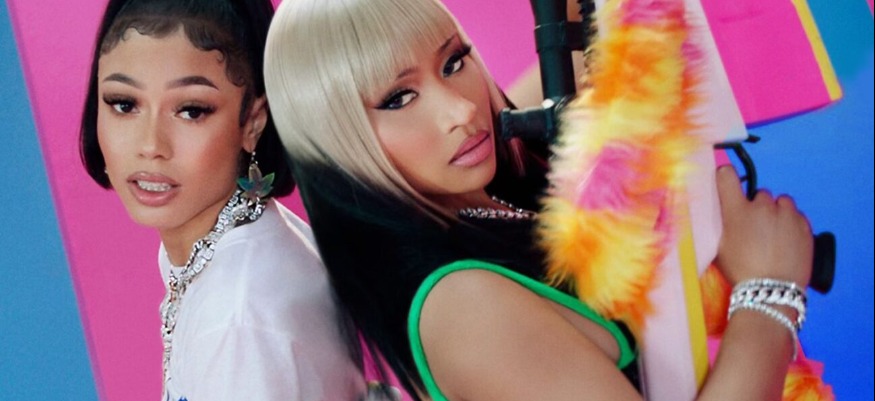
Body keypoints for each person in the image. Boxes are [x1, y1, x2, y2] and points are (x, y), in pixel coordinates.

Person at [263, 0, 813, 400]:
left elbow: (586, 50)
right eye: (398, 98)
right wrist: (771, 290)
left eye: (454, 61)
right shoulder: (463, 306)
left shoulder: (485, 186)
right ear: (336, 142)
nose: (461, 111)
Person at [79, 0, 366, 399]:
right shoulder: (235, 239)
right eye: (124, 105)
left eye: (191, 111)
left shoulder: (235, 321)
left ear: (253, 122)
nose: (151, 145)